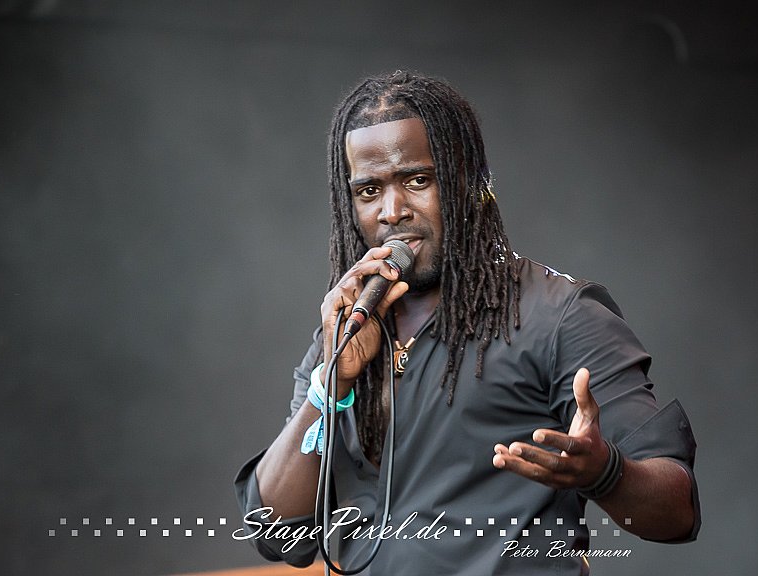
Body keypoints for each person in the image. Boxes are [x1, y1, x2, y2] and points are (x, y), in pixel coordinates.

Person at [234, 71, 700, 575]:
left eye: (417, 180)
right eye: (369, 190)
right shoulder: (347, 331)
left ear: (468, 181)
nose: (392, 211)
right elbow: (274, 534)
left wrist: (604, 471)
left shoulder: (558, 315)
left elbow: (676, 513)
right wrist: (330, 388)